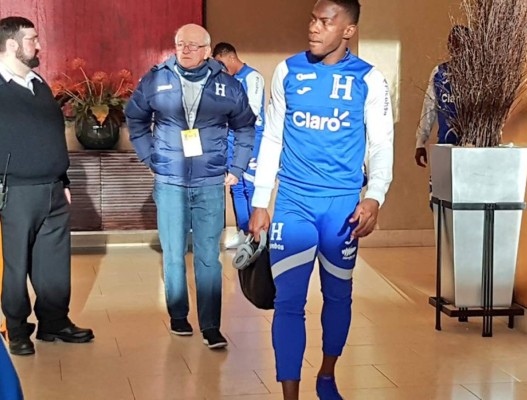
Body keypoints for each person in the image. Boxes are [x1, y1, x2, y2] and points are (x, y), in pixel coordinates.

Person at [248, 1, 394, 399]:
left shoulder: (370, 80)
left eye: (326, 22)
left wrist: (375, 196)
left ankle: (327, 374)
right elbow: (273, 137)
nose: (314, 28)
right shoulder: (288, 71)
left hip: (342, 208)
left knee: (337, 297)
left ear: (347, 30)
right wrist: (261, 201)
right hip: (293, 204)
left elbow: (381, 144)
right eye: (313, 19)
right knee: (289, 302)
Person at [125, 24, 256, 349]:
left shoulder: (226, 84)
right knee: (173, 254)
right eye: (180, 44)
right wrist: (148, 157)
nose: (185, 50)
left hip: (211, 182)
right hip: (170, 182)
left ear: (208, 51)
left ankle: (211, 325)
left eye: (193, 45)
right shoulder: (156, 78)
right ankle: (178, 315)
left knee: (209, 257)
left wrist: (237, 168)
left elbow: (245, 127)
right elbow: (135, 117)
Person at [0, 16, 94, 357]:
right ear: (12, 44)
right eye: (32, 40)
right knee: (16, 264)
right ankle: (17, 328)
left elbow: (49, 135)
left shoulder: (37, 83)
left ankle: (54, 322)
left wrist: (63, 179)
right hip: (14, 191)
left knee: (53, 262)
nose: (38, 45)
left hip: (53, 189)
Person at [212, 42, 266, 249]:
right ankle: (244, 233)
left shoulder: (253, 77)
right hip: (230, 138)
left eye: (222, 63)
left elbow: (250, 111)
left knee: (251, 186)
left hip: (251, 138)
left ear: (231, 57)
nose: (221, 69)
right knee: (236, 186)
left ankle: (258, 234)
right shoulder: (227, 81)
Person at [414, 25, 470, 167]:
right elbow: (429, 107)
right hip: (446, 146)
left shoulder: (479, 77)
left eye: (463, 44)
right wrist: (420, 142)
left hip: (473, 149)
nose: (458, 49)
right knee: (441, 188)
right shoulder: (440, 73)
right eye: (454, 43)